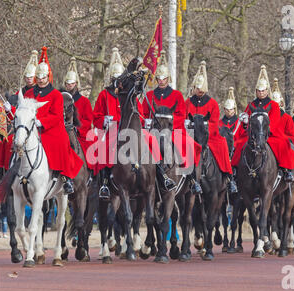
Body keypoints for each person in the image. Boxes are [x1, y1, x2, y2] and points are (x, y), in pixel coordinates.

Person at [23, 46, 84, 194]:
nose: (41, 81)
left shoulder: (56, 94)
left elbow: (57, 116)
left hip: (50, 129)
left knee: (61, 142)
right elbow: (24, 110)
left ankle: (65, 178)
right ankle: (10, 177)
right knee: (14, 141)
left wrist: (42, 122)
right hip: (30, 128)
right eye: (39, 78)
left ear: (47, 77)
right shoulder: (30, 93)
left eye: (44, 78)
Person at [141, 50, 202, 194]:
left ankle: (192, 179)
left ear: (168, 79)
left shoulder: (177, 95)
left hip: (172, 130)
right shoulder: (149, 95)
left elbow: (181, 114)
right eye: (159, 79)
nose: (161, 81)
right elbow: (143, 114)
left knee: (188, 144)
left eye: (164, 79)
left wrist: (172, 124)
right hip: (153, 131)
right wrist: (147, 122)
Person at [231, 65, 294, 183]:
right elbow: (244, 122)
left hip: (269, 135)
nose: (261, 93)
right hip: (253, 136)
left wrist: (264, 132)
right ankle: (235, 170)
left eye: (263, 91)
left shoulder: (274, 105)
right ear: (256, 91)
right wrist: (246, 124)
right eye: (259, 91)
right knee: (240, 144)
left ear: (267, 91)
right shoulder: (251, 105)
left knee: (282, 144)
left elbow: (274, 122)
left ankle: (286, 170)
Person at [185, 61, 237, 194]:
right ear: (194, 88)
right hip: (190, 136)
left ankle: (228, 176)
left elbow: (214, 122)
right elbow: (182, 118)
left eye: (202, 89)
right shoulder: (187, 103)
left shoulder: (212, 103)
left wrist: (204, 129)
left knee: (222, 144)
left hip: (208, 137)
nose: (200, 91)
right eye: (197, 89)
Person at [92, 47, 127, 198]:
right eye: (115, 78)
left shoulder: (128, 93)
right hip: (111, 130)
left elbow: (137, 113)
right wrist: (104, 120)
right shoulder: (104, 94)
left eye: (120, 78)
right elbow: (96, 116)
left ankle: (156, 177)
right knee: (103, 149)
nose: (117, 82)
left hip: (127, 130)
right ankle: (105, 182)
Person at [271, 78, 294, 198]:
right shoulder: (267, 116)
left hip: (283, 142)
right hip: (270, 141)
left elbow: (292, 135)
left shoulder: (286, 118)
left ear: (281, 104)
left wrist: (283, 138)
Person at [61, 57, 95, 173]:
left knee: (91, 148)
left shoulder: (84, 101)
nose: (69, 86)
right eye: (67, 84)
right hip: (63, 131)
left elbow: (88, 119)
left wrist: (77, 128)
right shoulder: (60, 99)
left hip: (79, 133)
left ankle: (91, 174)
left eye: (71, 83)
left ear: (76, 84)